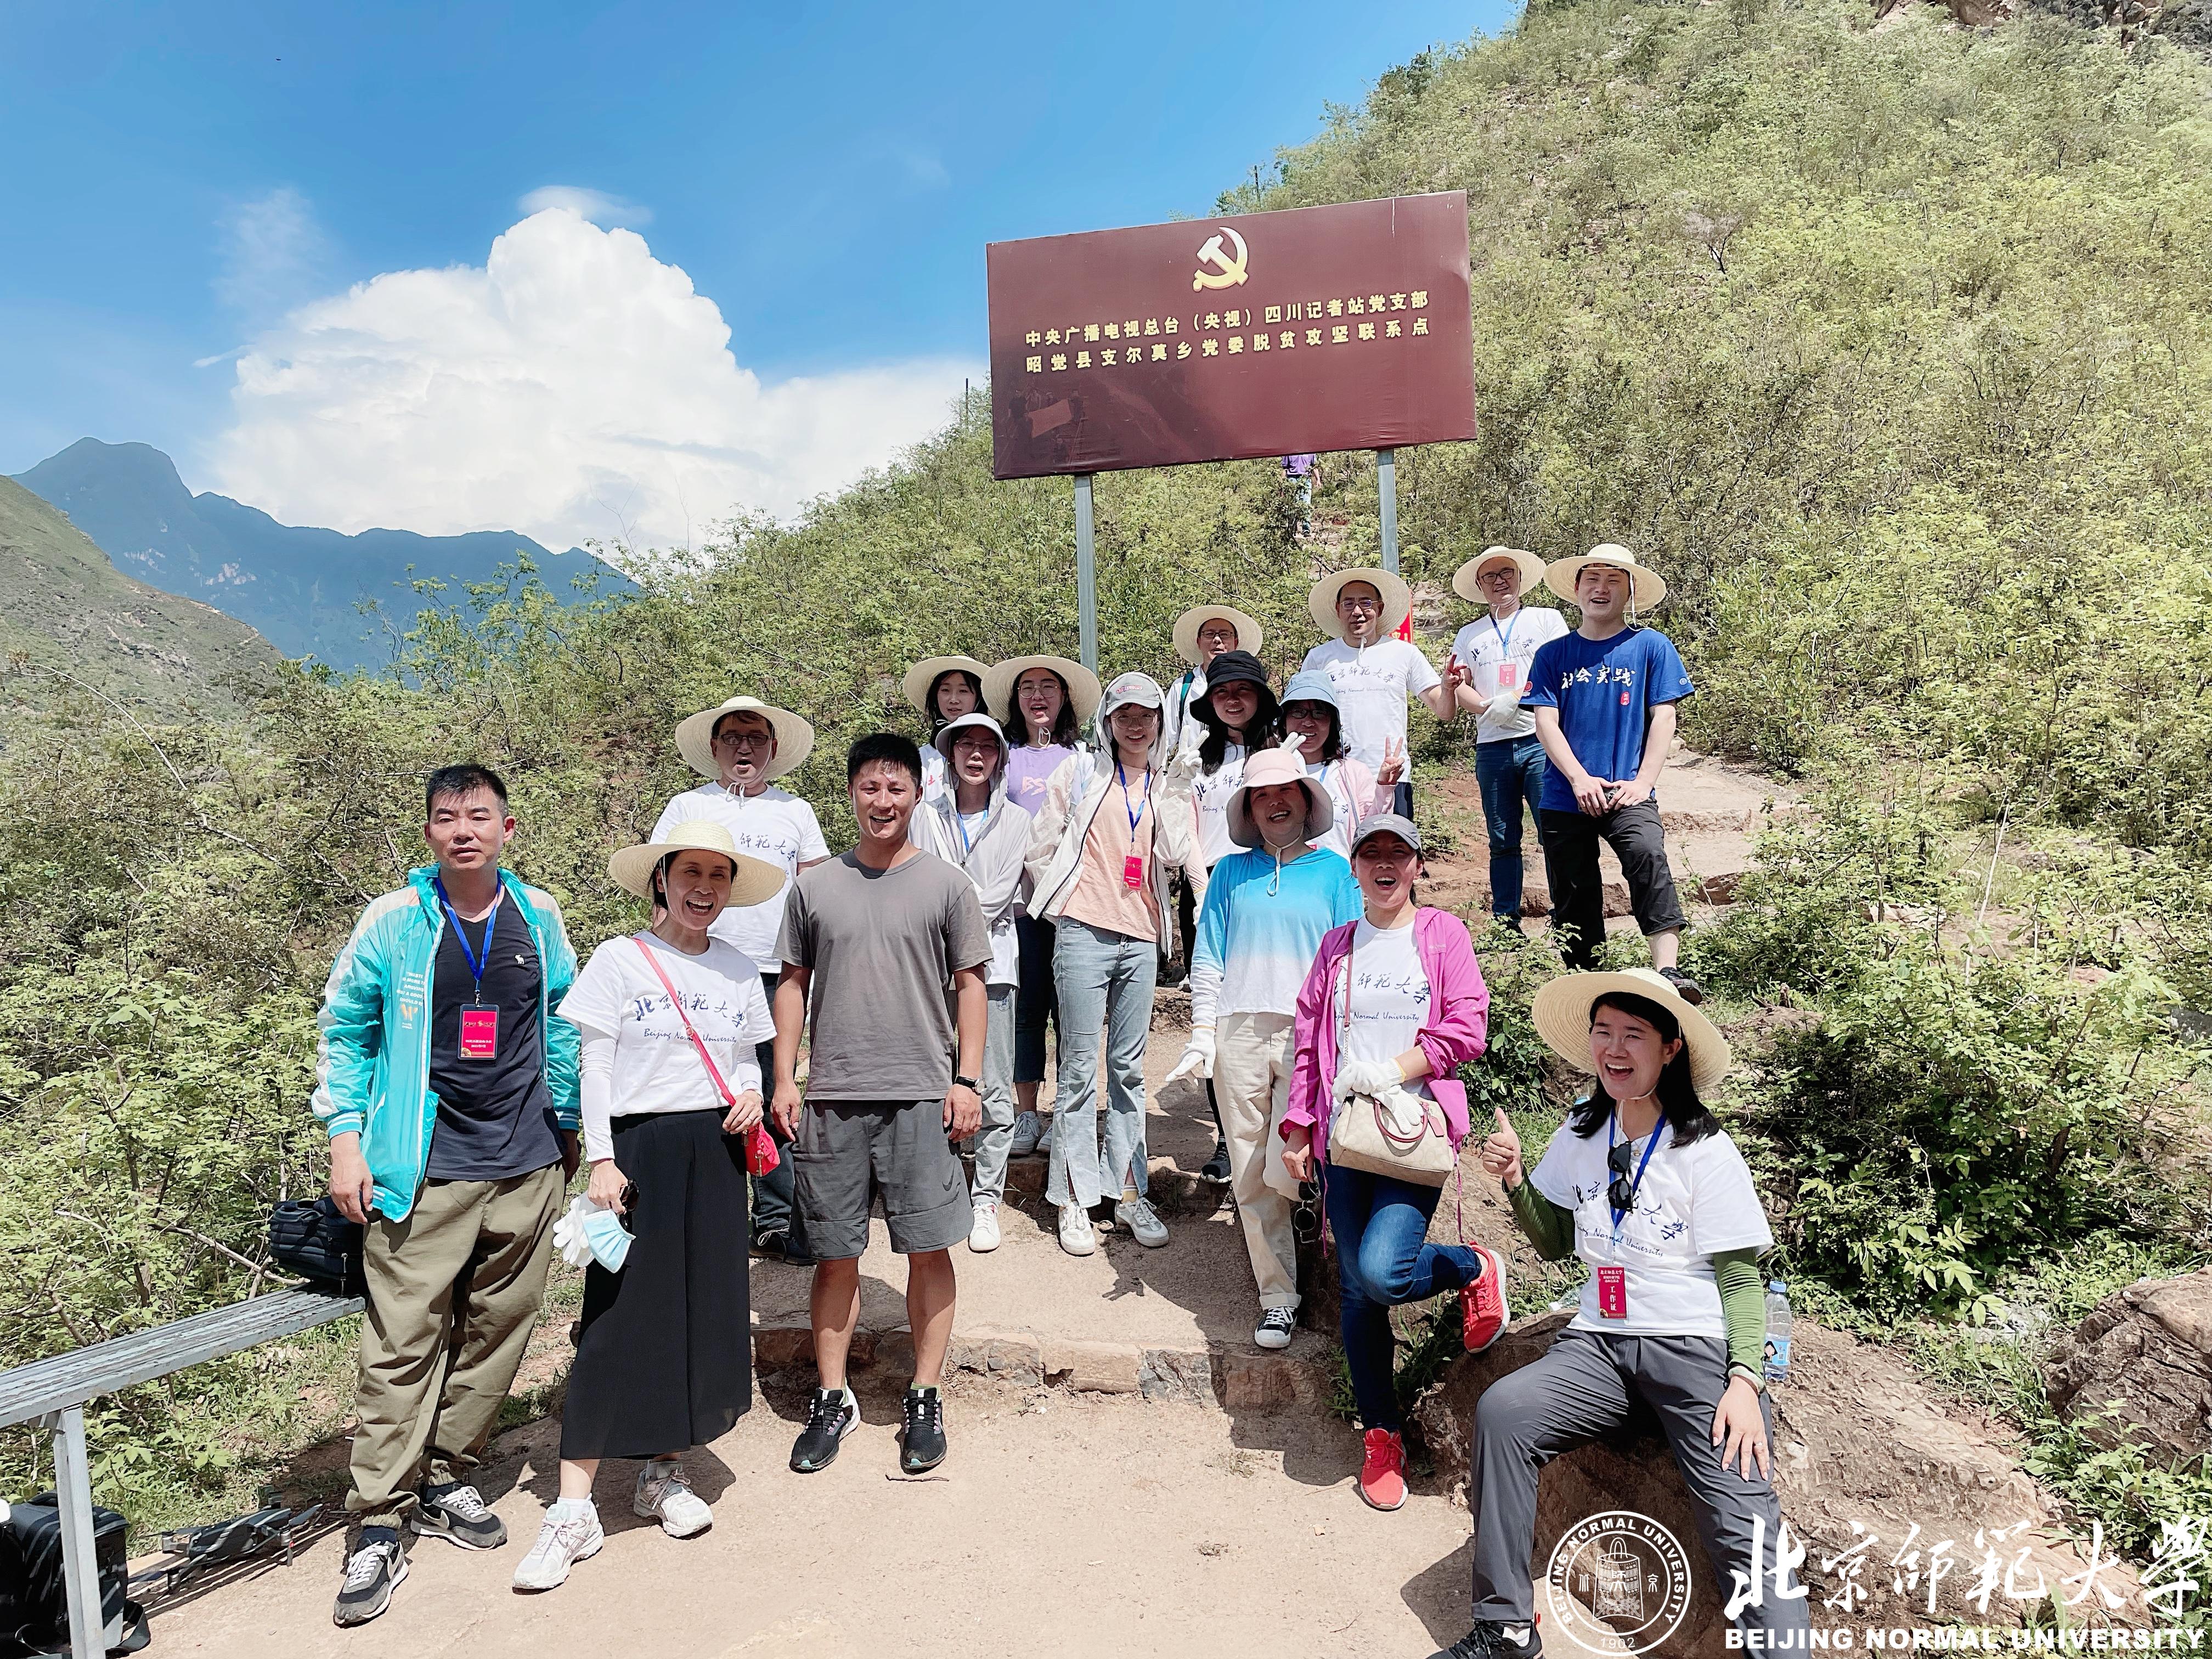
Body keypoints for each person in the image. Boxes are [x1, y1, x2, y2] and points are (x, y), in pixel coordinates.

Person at [1434, 967, 1807, 1659]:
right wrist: (1515, 1178)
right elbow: (1555, 1240)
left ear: (1670, 1049)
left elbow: (1740, 1278)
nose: (1614, 1047)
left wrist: (1745, 1380)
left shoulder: (1705, 1149)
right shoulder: (1582, 1131)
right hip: (1600, 1345)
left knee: (1742, 1521)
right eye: (1603, 1031)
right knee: (1504, 1413)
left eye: (1634, 1034)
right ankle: (1505, 1628)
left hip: (1690, 1346)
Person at [315, 764, 581, 1629]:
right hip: (420, 1165)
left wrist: (569, 1119)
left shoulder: (537, 914)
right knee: (403, 1342)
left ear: (509, 828)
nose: (463, 830)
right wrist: (345, 1140)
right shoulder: (396, 920)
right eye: (446, 817)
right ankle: (378, 1519)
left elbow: (563, 1018)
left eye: (479, 816)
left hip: (527, 1162)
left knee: (502, 1326)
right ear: (428, 832)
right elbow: (345, 1029)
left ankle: (444, 1475)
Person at [510, 822, 784, 1590]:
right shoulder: (620, 959)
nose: (704, 888)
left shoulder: (737, 968)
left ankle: (663, 1474)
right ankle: (572, 1509)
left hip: (716, 1152)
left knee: (697, 1313)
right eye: (690, 872)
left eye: (718, 876)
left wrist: (751, 1093)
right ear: (661, 879)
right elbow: (594, 1065)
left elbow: (744, 1058)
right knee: (616, 1320)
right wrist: (603, 1158)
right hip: (638, 1152)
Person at [772, 734, 990, 1477]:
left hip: (921, 1095)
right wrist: (785, 1077)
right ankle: (833, 1397)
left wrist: (967, 1081)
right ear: (851, 794)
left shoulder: (947, 886)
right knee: (835, 1254)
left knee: (929, 1247)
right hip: (833, 1096)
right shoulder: (814, 888)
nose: (883, 801)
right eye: (870, 787)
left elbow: (971, 985)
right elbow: (793, 982)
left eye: (897, 788)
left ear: (917, 794)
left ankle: (924, 1395)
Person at [1280, 816, 1508, 1513]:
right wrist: (1299, 1127)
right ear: (1353, 868)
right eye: (1371, 852)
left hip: (1415, 1128)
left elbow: (1468, 1026)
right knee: (1357, 1291)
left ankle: (1472, 1267)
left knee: (1382, 1272)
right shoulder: (1337, 945)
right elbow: (1309, 1039)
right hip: (1347, 1135)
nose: (1385, 863)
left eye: (1398, 853)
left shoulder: (1442, 935)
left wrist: (1394, 1070)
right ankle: (1381, 1434)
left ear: (1417, 866)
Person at [1164, 743, 1359, 1350]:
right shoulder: (1229, 873)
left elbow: (1350, 963)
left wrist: (1345, 1037)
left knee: (1287, 1161)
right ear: (1249, 808)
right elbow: (1209, 956)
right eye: (1262, 795)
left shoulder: (1336, 872)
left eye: (1286, 792)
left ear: (1306, 800)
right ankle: (1278, 1296)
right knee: (1250, 1170)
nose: (1275, 803)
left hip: (1309, 1033)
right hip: (1239, 1030)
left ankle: (1308, 1224)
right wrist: (1202, 1032)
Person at [1024, 672, 1197, 1256]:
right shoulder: (1079, 771)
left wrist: (1177, 790)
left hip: (1141, 936)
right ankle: (1073, 1196)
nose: (1136, 725)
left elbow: (1173, 853)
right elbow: (1041, 845)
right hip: (1083, 932)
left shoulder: (1165, 781)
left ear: (1160, 720)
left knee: (1128, 1070)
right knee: (1077, 1068)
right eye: (1125, 715)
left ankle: (1128, 1192)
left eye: (1146, 715)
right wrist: (1066, 903)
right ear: (1108, 720)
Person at [656, 695, 830, 1261]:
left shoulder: (795, 812)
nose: (744, 748)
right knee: (701, 1088)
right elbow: (659, 889)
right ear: (714, 748)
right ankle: (709, 1216)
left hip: (778, 972)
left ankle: (776, 1219)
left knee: (775, 1091)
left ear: (773, 749)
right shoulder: (687, 806)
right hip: (699, 969)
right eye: (733, 737)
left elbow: (816, 894)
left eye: (755, 738)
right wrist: (661, 963)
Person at [1522, 544, 1702, 1003]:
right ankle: (1587, 982)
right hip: (1565, 794)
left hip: (1629, 790)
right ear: (1577, 588)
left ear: (1630, 591)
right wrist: (1579, 779)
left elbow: (1664, 716)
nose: (1601, 589)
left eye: (1614, 580)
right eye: (1593, 579)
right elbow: (1546, 723)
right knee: (1572, 889)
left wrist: (1643, 783)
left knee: (1647, 854)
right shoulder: (1553, 654)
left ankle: (1668, 971)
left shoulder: (1652, 646)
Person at [908, 712, 1031, 1253]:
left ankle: (987, 1198)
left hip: (993, 966)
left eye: (988, 745)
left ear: (1000, 757)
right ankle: (944, 1187)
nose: (976, 754)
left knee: (992, 1084)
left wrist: (948, 905)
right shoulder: (923, 816)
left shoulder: (1017, 821)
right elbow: (916, 883)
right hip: (929, 968)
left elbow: (1000, 895)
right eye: (966, 745)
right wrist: (947, 906)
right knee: (935, 1077)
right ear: (950, 753)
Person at [983, 653, 1101, 1161]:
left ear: (1064, 697)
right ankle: (1028, 1113)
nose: (1038, 696)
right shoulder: (1003, 756)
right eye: (1027, 687)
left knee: (1072, 1011)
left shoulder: (1086, 758)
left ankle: (1067, 1113)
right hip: (1019, 904)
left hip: (1073, 903)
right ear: (1015, 699)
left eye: (1048, 686)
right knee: (1027, 1011)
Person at [1182, 648, 1283, 1181]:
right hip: (1209, 888)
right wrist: (1202, 890)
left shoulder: (1280, 751)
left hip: (1269, 885)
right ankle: (1228, 1137)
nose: (1233, 700)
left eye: (1243, 690)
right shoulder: (1196, 760)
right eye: (1222, 692)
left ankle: (1279, 1131)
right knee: (1217, 1016)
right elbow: (1185, 829)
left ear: (1260, 698)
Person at [1445, 548, 1571, 933]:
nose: (1500, 581)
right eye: (1491, 576)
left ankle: (1566, 917)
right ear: (1479, 585)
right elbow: (1457, 683)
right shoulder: (1469, 634)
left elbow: (1561, 669)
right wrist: (1485, 706)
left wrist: (1516, 698)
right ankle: (1506, 923)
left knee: (1553, 831)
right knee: (1501, 838)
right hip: (1492, 747)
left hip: (1542, 740)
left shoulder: (1546, 620)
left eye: (1506, 573)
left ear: (1519, 577)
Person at [1299, 568, 1454, 819]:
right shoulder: (1319, 658)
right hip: (1333, 774)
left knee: (1391, 845)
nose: (1357, 611)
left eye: (1366, 603)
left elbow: (1444, 711)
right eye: (1348, 604)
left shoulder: (1404, 653)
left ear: (1379, 609)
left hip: (1392, 774)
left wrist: (1447, 689)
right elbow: (1299, 715)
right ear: (1338, 610)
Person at [1278, 669, 1394, 859]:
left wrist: (1385, 788)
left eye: (1319, 713)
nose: (1308, 722)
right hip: (1285, 874)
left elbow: (1372, 830)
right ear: (1284, 721)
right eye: (1298, 712)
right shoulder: (1269, 768)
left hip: (1341, 874)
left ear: (1333, 723)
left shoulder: (1353, 772)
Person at [1161, 605, 1262, 760]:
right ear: (1199, 641)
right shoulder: (1182, 688)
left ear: (1235, 642)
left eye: (1225, 634)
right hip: (1193, 772)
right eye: (1209, 634)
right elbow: (1165, 742)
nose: (1217, 640)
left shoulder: (1252, 687)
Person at [902, 654, 990, 804]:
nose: (953, 699)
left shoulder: (993, 753)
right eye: (945, 690)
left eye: (963, 691)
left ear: (979, 697)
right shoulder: (922, 758)